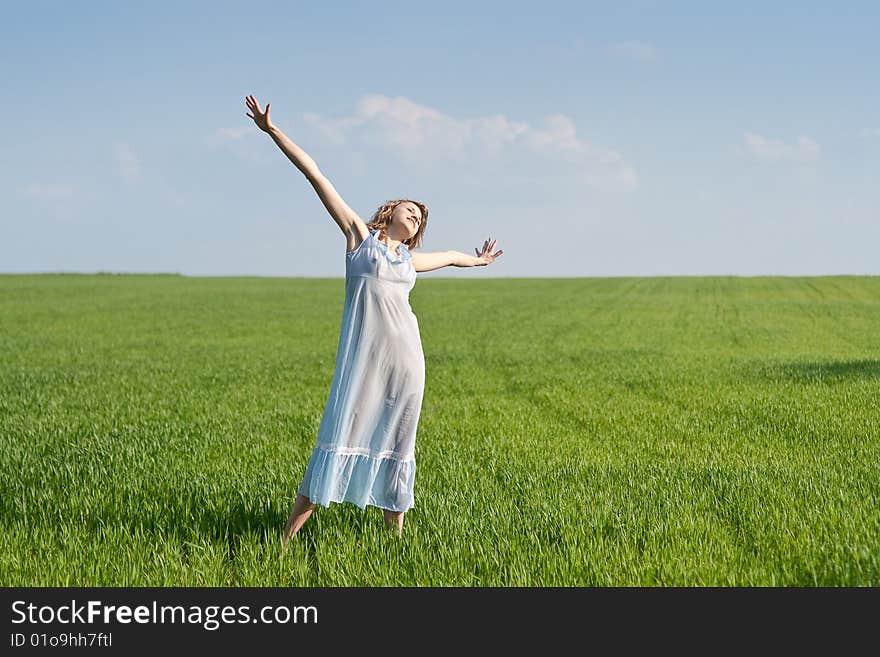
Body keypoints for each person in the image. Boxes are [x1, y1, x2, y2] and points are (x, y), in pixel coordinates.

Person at [244, 94, 504, 544]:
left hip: (406, 361)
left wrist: (478, 262)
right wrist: (273, 132)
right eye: (409, 208)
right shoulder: (359, 238)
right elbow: (315, 174)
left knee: (400, 443)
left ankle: (394, 541)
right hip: (365, 362)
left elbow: (450, 257)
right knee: (339, 433)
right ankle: (285, 538)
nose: (415, 215)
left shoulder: (409, 261)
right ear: (389, 213)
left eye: (420, 216)